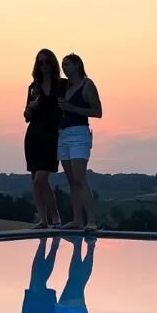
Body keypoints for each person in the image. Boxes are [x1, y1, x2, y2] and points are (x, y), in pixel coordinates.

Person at [57, 53, 102, 231]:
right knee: (71, 180)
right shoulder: (65, 86)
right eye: (62, 65)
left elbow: (98, 111)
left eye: (67, 64)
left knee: (79, 177)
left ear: (77, 65)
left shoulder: (87, 85)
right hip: (63, 134)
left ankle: (91, 220)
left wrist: (72, 108)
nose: (64, 68)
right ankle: (77, 220)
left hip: (79, 134)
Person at [23, 49, 65, 228]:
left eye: (47, 62)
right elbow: (27, 116)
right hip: (34, 135)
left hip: (52, 136)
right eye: (40, 63)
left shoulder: (63, 85)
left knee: (41, 178)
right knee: (35, 179)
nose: (44, 66)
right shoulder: (33, 87)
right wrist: (30, 107)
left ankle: (55, 214)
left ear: (53, 63)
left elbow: (65, 110)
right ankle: (43, 219)